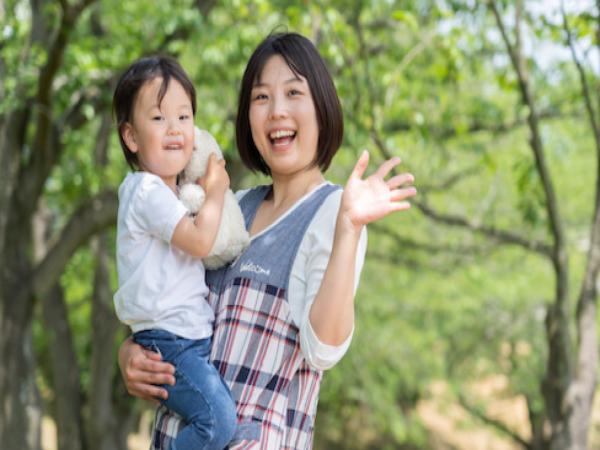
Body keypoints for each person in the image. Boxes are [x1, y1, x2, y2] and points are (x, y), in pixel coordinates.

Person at [118, 33, 416, 450]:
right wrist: (132, 352)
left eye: (293, 93)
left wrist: (349, 228)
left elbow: (324, 348)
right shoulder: (231, 206)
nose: (277, 111)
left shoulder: (333, 213)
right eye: (261, 97)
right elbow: (167, 295)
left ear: (322, 107)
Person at [112, 55, 237, 450]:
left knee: (218, 418)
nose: (174, 129)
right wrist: (216, 191)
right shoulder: (145, 190)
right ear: (131, 137)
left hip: (184, 340)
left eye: (184, 117)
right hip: (170, 341)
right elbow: (200, 241)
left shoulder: (173, 195)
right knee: (217, 422)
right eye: (158, 118)